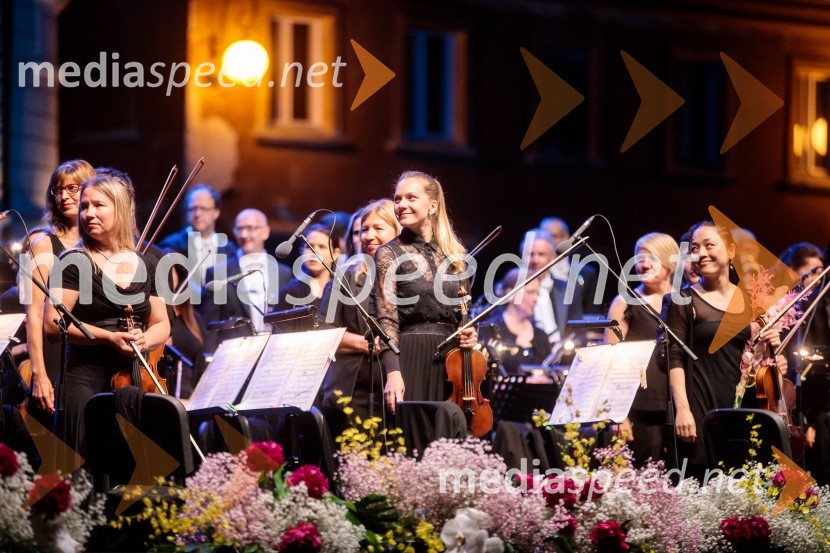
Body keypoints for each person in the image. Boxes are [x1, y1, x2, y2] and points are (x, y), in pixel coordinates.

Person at [44, 175, 171, 455]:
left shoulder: (148, 262)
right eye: (85, 206)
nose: (88, 213)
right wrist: (107, 337)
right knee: (85, 461)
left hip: (137, 377)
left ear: (121, 209)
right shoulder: (73, 261)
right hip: (86, 379)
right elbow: (53, 324)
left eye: (98, 205)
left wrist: (146, 340)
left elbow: (162, 323)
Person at [667, 221, 784, 479]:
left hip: (741, 407)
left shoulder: (750, 300)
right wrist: (683, 409)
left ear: (731, 251)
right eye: (695, 247)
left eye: (709, 245)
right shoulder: (683, 300)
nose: (702, 253)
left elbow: (755, 361)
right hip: (700, 404)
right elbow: (674, 357)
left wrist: (772, 349)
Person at [375, 171, 477, 413]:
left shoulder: (456, 255)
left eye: (411, 198)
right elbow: (386, 320)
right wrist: (393, 373)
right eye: (398, 199)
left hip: (453, 363)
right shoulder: (390, 253)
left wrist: (471, 333)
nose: (401, 205)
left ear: (432, 205)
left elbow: (464, 313)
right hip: (411, 356)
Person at [25, 160, 96, 429]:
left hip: (90, 356)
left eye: (72, 188)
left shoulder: (97, 245)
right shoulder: (43, 243)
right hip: (56, 354)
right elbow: (33, 312)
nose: (63, 196)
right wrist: (39, 374)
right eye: (57, 190)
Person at [318, 199, 400, 421]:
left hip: (398, 388)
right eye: (364, 229)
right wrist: (364, 344)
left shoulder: (412, 278)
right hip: (352, 390)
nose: (368, 235)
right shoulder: (344, 276)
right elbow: (324, 331)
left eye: (378, 228)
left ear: (398, 231)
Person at [604, 232, 679, 466]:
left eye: (651, 257)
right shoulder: (624, 302)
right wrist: (618, 415)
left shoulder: (684, 300)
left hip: (677, 409)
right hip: (638, 408)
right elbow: (609, 359)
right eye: (639, 257)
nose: (643, 264)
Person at [202, 209, 290, 353]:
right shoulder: (217, 272)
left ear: (266, 232)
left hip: (274, 352)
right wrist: (209, 358)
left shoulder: (284, 273)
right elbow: (210, 324)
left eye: (250, 228)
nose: (243, 235)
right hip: (234, 354)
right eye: (239, 229)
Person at [158, 184, 236, 286]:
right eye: (193, 208)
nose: (197, 214)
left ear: (216, 212)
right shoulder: (171, 245)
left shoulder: (229, 249)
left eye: (203, 208)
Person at [479, 268, 551, 375]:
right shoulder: (489, 330)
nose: (535, 298)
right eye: (530, 292)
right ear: (510, 294)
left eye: (537, 293)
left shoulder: (541, 336)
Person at [521, 230, 584, 345]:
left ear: (551, 258)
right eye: (530, 254)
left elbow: (578, 333)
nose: (535, 260)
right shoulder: (511, 290)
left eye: (541, 254)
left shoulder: (568, 290)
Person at [278, 224, 342, 311]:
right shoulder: (289, 293)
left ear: (335, 254)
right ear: (302, 251)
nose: (314, 252)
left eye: (322, 247)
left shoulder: (343, 291)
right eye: (309, 246)